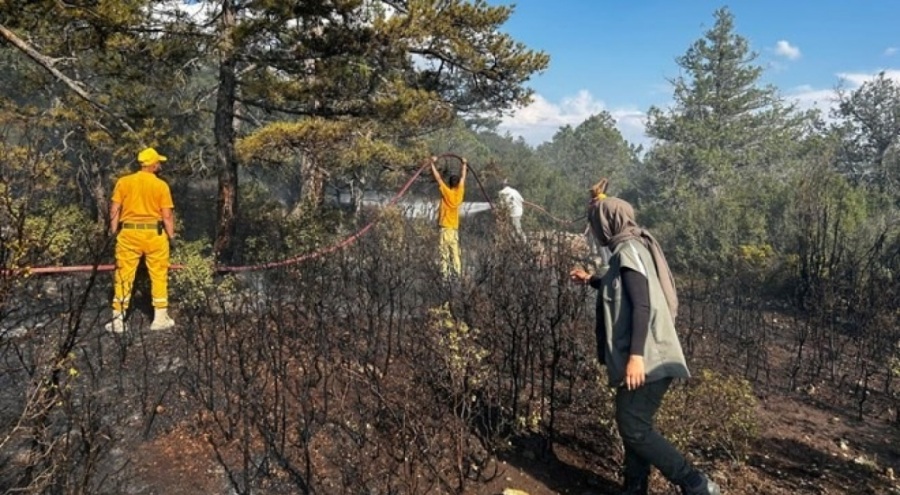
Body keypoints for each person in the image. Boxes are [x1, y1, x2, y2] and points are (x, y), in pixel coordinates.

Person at [569, 197, 721, 495]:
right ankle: (635, 488)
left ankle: (696, 484)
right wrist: (590, 280)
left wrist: (636, 357)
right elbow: (620, 286)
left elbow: (641, 303)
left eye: (595, 222)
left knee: (634, 427)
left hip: (650, 359)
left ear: (606, 222)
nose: (594, 230)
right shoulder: (629, 250)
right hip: (646, 358)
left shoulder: (629, 250)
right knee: (633, 424)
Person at [106, 147, 177, 333]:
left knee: (124, 275)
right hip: (154, 234)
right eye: (158, 162)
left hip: (128, 233)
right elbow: (167, 215)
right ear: (153, 165)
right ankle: (159, 318)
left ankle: (118, 320)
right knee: (159, 274)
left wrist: (114, 232)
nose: (160, 165)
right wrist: (172, 236)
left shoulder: (124, 182)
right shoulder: (161, 186)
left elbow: (114, 209)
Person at [430, 156, 467, 278]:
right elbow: (463, 178)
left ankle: (445, 277)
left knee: (444, 254)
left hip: (445, 229)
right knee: (455, 254)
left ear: (450, 184)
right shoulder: (459, 193)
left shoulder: (448, 192)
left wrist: (432, 164)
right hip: (454, 230)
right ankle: (458, 274)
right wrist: (464, 164)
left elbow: (438, 179)